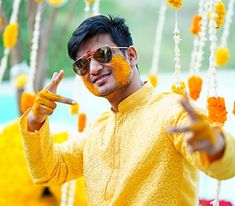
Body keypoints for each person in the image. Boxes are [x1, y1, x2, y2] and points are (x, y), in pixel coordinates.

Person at [20, 15, 235, 206]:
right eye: (82, 65)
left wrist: (216, 147)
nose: (93, 69)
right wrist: (35, 119)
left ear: (131, 56)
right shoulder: (97, 132)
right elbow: (48, 171)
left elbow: (224, 167)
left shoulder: (171, 111)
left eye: (102, 54)